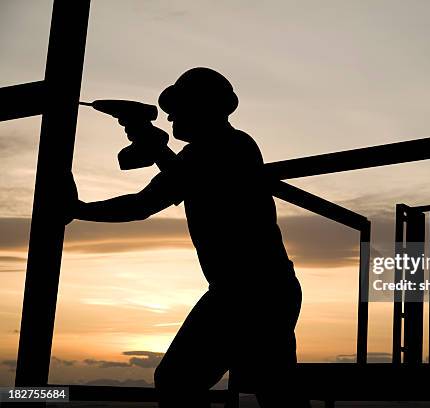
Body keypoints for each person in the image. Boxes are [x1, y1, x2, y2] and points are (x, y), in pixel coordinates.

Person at [67, 68, 308, 407]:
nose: (169, 116)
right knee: (274, 391)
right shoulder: (214, 150)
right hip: (257, 290)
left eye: (177, 108)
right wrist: (151, 145)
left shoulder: (224, 148)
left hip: (248, 293)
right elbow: (169, 191)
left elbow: (151, 199)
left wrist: (77, 209)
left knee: (178, 381)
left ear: (201, 109)